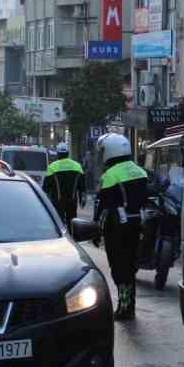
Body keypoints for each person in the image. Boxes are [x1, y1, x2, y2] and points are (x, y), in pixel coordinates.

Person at [94, 133, 148, 321]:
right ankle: (130, 305)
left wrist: (95, 230)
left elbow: (103, 208)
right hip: (138, 226)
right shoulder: (141, 172)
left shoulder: (110, 175)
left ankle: (124, 307)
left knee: (118, 268)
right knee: (130, 267)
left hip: (117, 229)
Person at [42, 141, 86, 231]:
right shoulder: (77, 166)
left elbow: (45, 187)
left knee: (59, 225)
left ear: (58, 154)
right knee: (72, 223)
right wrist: (82, 199)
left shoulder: (52, 167)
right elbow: (82, 186)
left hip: (57, 201)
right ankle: (73, 240)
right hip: (72, 201)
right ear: (68, 153)